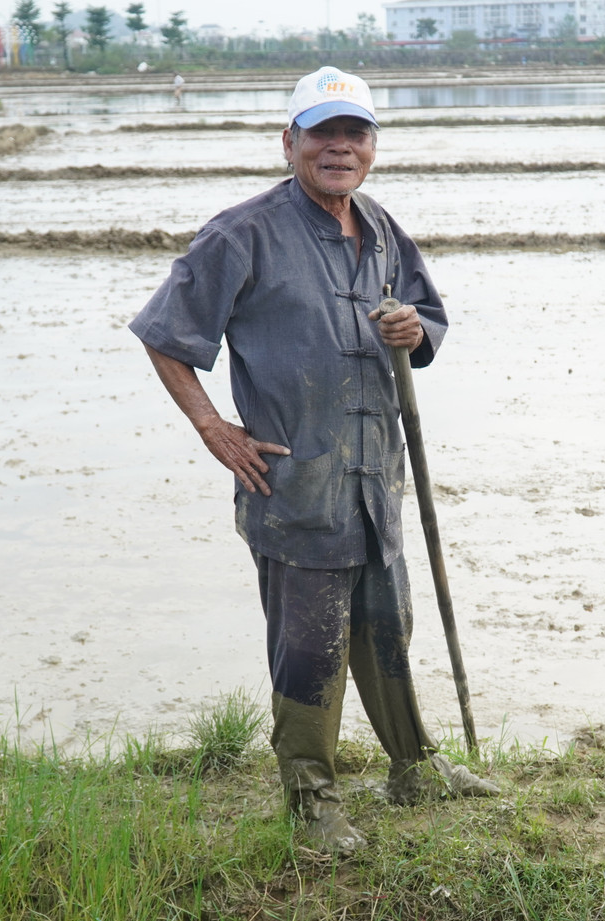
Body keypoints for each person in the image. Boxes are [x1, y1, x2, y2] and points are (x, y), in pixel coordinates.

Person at [129, 66, 497, 855]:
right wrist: (213, 427)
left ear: (373, 146)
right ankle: (311, 802)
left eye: (354, 133)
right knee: (309, 647)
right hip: (296, 484)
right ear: (289, 142)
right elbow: (165, 335)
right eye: (321, 133)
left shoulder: (382, 227)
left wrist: (414, 331)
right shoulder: (243, 234)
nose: (339, 148)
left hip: (373, 480)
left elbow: (426, 320)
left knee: (386, 628)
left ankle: (415, 767)